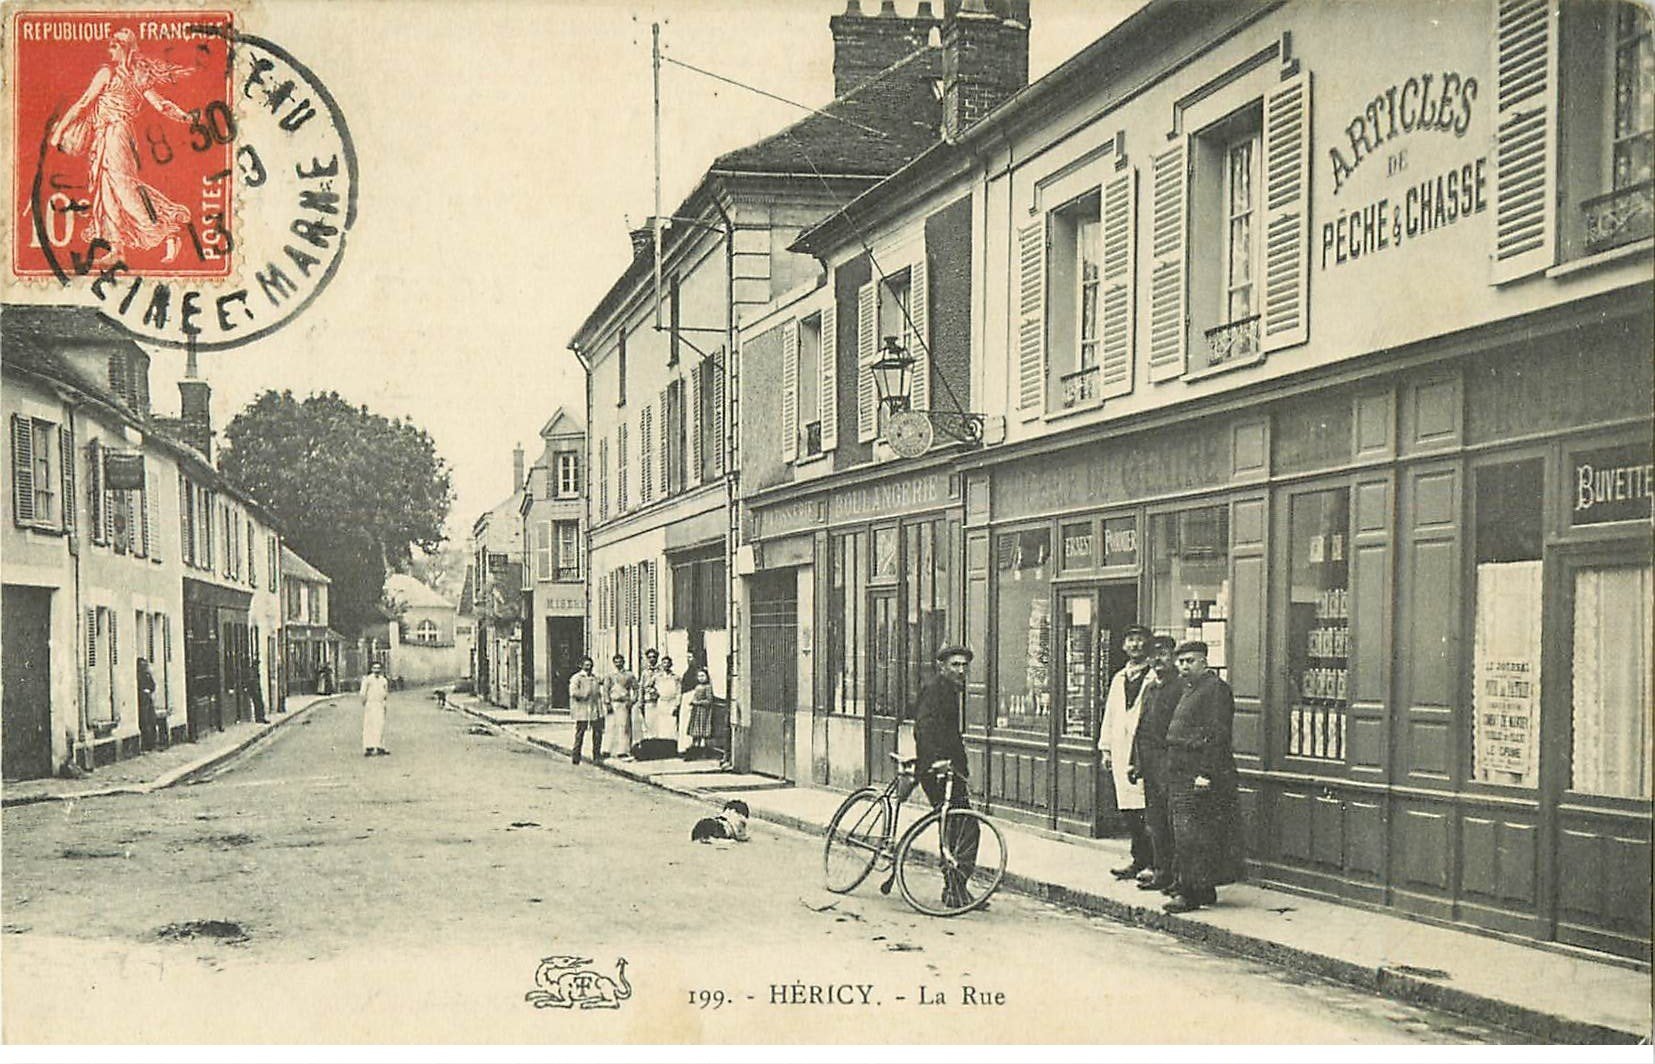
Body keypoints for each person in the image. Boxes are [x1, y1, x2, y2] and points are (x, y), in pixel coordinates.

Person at [48, 28, 195, 267]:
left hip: (117, 135)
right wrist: (186, 118)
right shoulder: (127, 75)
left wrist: (58, 132)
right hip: (105, 136)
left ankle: (168, 233)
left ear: (125, 47)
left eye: (114, 46)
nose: (110, 50)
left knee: (126, 191)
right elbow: (161, 105)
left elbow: (85, 102)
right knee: (107, 193)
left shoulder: (115, 74)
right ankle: (117, 249)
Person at [1162, 641, 1244, 913]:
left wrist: (1205, 773)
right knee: (1188, 831)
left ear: (1204, 662)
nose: (1184, 666)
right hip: (1180, 769)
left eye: (1190, 661)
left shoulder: (1216, 689)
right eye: (1181, 661)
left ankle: (1188, 893)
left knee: (1191, 834)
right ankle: (1202, 887)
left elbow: (1218, 734)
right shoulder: (1189, 689)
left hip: (1197, 772)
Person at [913, 644, 980, 910]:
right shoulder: (935, 690)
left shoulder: (951, 691)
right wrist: (937, 761)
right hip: (938, 771)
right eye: (955, 665)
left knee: (958, 827)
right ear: (942, 667)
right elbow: (923, 728)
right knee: (962, 826)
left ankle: (955, 888)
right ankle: (955, 889)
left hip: (951, 770)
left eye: (964, 665)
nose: (961, 670)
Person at [1099, 625, 1155, 881]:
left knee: (1148, 809)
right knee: (1129, 810)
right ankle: (1138, 859)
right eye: (1130, 640)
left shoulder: (1153, 677)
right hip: (1121, 750)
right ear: (1124, 646)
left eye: (1139, 640)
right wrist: (1106, 749)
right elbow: (1110, 714)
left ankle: (1154, 863)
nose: (1135, 645)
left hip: (1144, 751)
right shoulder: (1120, 677)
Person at [1129, 634, 1183, 893]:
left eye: (1163, 654)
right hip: (1150, 764)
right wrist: (1135, 763)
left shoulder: (1181, 687)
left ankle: (1178, 877)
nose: (1158, 660)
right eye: (1153, 655)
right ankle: (1162, 872)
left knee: (1174, 822)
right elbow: (1141, 727)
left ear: (1172, 657)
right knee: (1156, 821)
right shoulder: (1150, 688)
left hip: (1171, 763)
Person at [568, 657, 604, 764]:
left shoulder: (594, 678)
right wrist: (584, 694)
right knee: (580, 733)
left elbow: (598, 692)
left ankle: (596, 755)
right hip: (582, 709)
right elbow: (573, 692)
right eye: (586, 665)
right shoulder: (577, 678)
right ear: (582, 665)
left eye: (590, 665)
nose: (589, 667)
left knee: (597, 733)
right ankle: (576, 756)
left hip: (594, 709)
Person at [602, 654, 638, 759]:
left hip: (624, 704)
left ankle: (623, 750)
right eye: (616, 662)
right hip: (613, 703)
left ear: (624, 662)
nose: (618, 663)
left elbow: (636, 689)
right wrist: (607, 703)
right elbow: (605, 690)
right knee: (610, 726)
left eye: (620, 661)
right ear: (614, 663)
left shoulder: (629, 675)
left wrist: (632, 701)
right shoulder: (610, 675)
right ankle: (607, 749)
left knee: (624, 727)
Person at [360, 660, 391, 757]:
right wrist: (365, 703)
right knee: (369, 725)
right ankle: (369, 747)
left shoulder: (383, 680)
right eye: (375, 668)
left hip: (380, 704)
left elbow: (385, 693)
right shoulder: (367, 680)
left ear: (381, 669)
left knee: (380, 725)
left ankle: (379, 746)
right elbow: (363, 693)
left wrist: (384, 703)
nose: (377, 670)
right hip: (370, 704)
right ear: (371, 669)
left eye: (378, 668)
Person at [633, 648, 661, 755]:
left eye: (654, 657)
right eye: (649, 657)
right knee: (648, 724)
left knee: (658, 724)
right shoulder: (645, 672)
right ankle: (650, 747)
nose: (652, 659)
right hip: (648, 701)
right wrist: (640, 701)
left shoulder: (661, 671)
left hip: (659, 701)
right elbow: (641, 688)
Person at [684, 667, 716, 758]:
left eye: (703, 675)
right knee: (695, 731)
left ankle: (703, 750)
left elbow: (709, 701)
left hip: (704, 712)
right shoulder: (697, 686)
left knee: (702, 730)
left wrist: (698, 703)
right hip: (696, 712)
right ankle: (695, 748)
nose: (701, 678)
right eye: (699, 676)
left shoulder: (708, 687)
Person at [136, 657, 158, 752]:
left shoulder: (147, 675)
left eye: (145, 665)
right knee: (144, 722)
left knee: (151, 721)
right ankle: (146, 744)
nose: (144, 667)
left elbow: (153, 686)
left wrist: (148, 690)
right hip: (141, 702)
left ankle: (151, 744)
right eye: (142, 665)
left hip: (148, 700)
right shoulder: (138, 676)